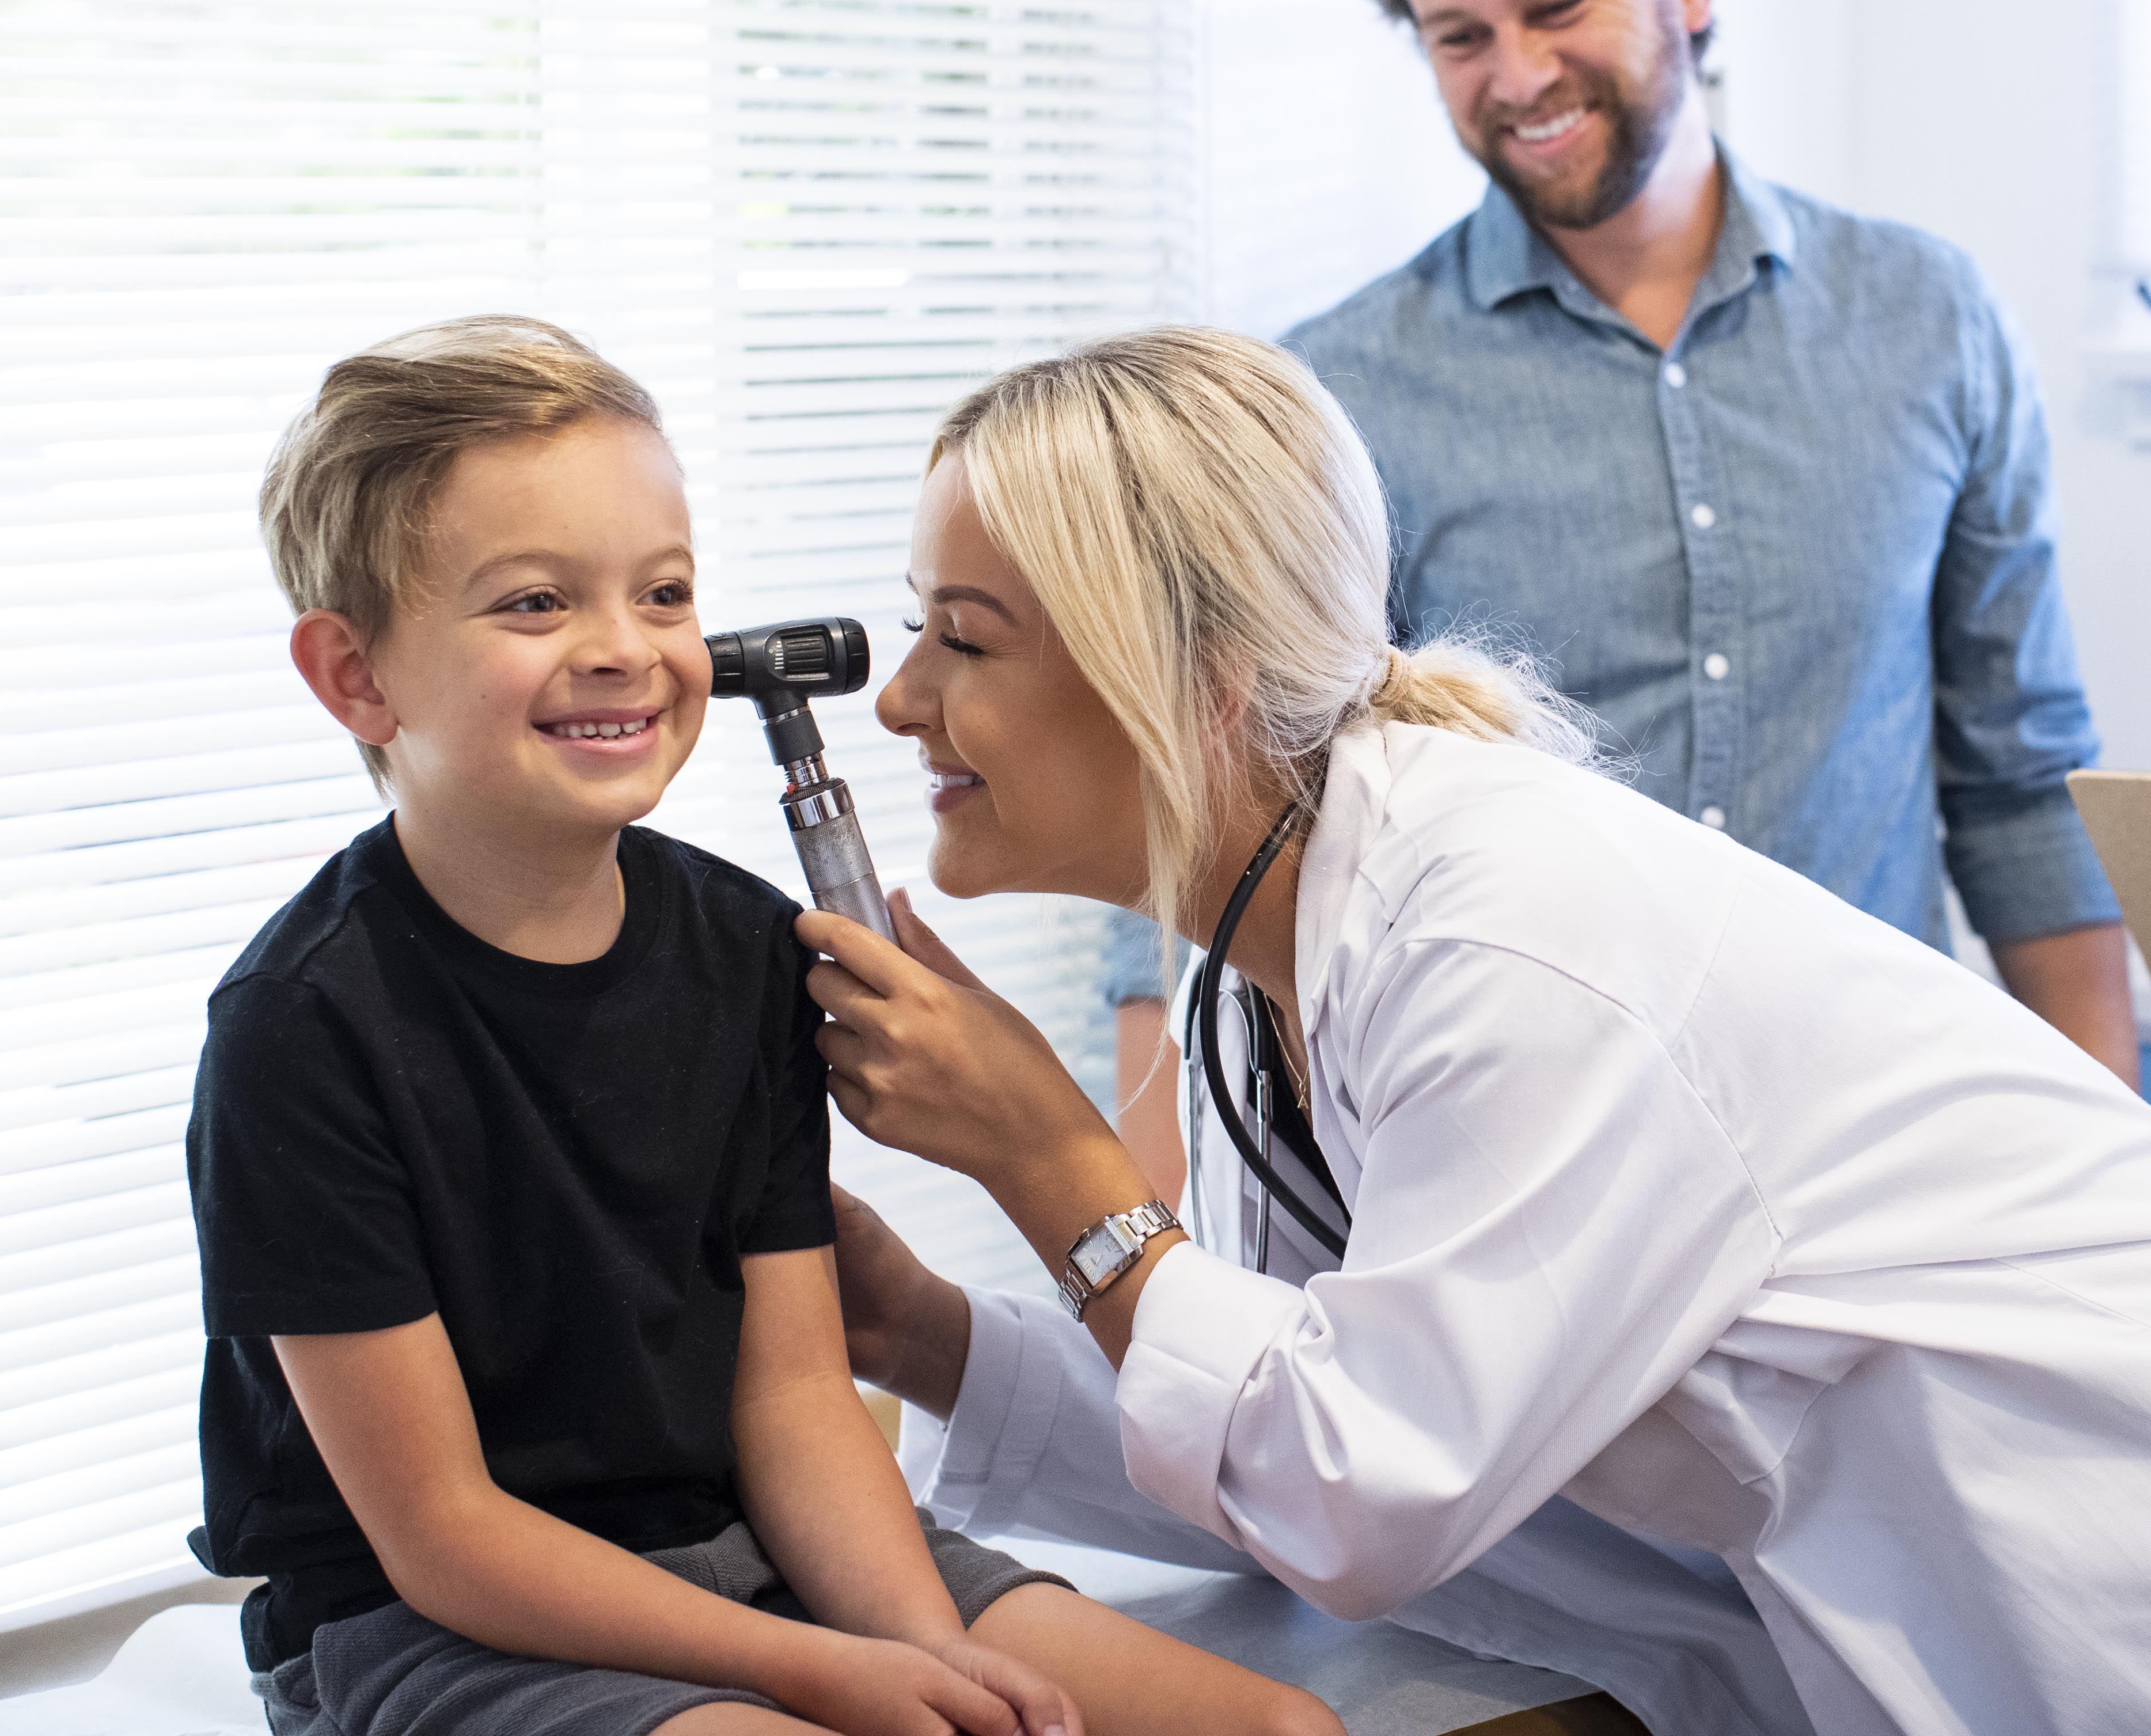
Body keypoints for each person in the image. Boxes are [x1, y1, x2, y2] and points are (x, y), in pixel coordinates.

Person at [809, 324, 2151, 1736]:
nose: (901, 703)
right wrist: (940, 1338)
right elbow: (1314, 1434)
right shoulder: (1279, 964)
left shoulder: (1510, 933)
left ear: (1188, 680)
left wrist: (1051, 1163)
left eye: (967, 641)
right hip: (2011, 1587)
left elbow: (1365, 1486)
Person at [185, 318, 1338, 1736]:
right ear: (356, 676)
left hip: (765, 1546)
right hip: (453, 1624)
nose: (624, 649)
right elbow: (442, 1532)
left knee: (1283, 1734)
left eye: (662, 594)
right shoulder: (299, 1034)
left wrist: (926, 1654)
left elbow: (796, 1404)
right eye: (537, 604)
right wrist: (825, 1673)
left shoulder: (744, 955)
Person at [1109, 0, 2131, 1195]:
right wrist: (1155, 1291)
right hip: (1509, 1165)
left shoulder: (1930, 322)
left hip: (1882, 1146)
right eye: (1458, 36)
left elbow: (2021, 779)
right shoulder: (1332, 392)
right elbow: (1205, 808)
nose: (1517, 78)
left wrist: (2107, 1173)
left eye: (1556, 8)